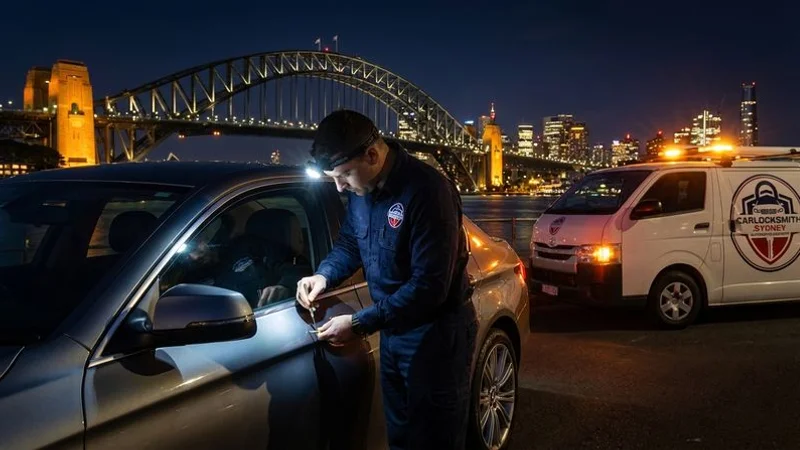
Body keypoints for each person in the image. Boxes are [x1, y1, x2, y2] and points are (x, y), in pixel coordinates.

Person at [295, 109, 478, 450]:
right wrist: (323, 275)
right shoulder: (360, 189)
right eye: (333, 177)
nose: (340, 186)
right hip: (394, 330)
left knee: (434, 438)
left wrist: (359, 323)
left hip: (436, 336)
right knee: (401, 437)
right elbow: (351, 243)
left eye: (345, 175)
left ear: (373, 155)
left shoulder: (428, 191)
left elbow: (429, 287)